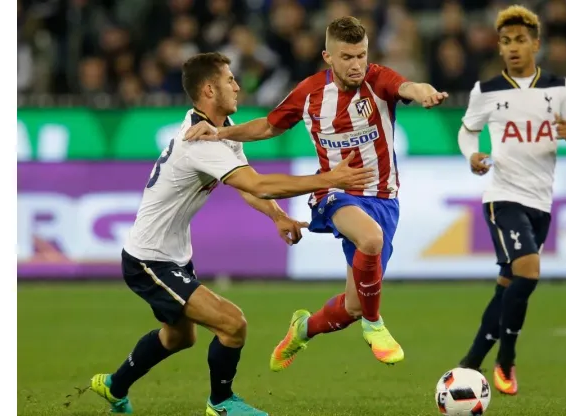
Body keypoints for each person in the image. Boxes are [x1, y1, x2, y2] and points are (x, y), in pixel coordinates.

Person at [88, 52, 373, 416]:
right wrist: (330, 179)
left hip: (172, 255)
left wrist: (276, 217)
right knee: (232, 324)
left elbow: (245, 184)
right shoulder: (200, 142)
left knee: (179, 337)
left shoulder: (218, 128)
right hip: (149, 260)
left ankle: (114, 387)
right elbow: (259, 183)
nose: (238, 86)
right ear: (209, 89)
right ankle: (220, 403)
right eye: (230, 80)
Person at [184, 16, 448, 371]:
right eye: (347, 57)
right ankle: (376, 325)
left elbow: (409, 87)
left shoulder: (378, 80)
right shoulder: (309, 93)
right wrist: (220, 134)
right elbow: (267, 126)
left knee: (353, 306)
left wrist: (425, 92)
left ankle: (302, 330)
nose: (356, 65)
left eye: (361, 56)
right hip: (335, 191)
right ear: (328, 57)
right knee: (370, 239)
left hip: (384, 198)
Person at [455, 5, 566, 395]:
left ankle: (470, 362)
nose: (513, 47)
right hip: (503, 196)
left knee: (508, 284)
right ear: (499, 48)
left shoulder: (558, 87)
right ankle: (506, 359)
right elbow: (468, 133)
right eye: (505, 41)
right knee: (529, 270)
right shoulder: (486, 91)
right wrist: (473, 155)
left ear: (536, 43)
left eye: (520, 40)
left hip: (541, 203)